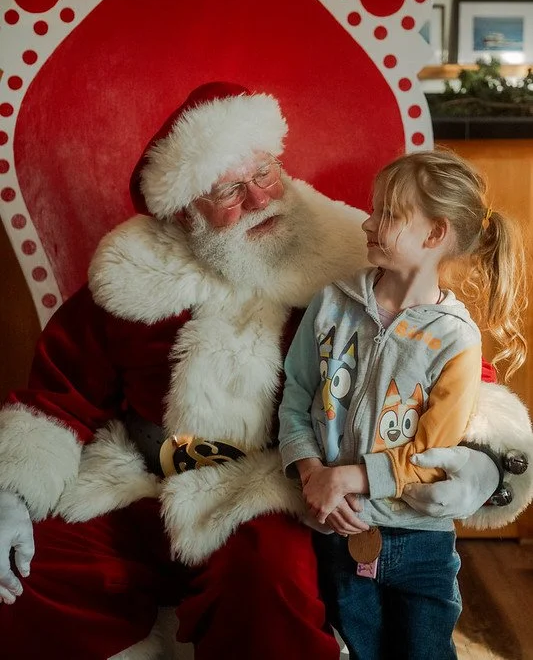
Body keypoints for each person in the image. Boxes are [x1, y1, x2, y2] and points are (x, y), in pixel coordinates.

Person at [0, 83, 530, 660]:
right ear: (183, 210)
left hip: (272, 483)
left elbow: (445, 366)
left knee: (270, 582)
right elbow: (60, 394)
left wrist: (483, 458)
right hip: (134, 478)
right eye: (229, 188)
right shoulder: (133, 271)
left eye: (265, 174)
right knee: (26, 573)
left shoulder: (350, 253)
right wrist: (11, 494)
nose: (257, 199)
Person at [278, 148, 529, 660]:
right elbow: (297, 393)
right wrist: (310, 470)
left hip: (420, 543)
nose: (369, 221)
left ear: (434, 235)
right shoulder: (331, 304)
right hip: (339, 530)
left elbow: (432, 449)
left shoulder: (456, 339)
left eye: (389, 213)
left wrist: (352, 477)